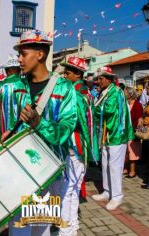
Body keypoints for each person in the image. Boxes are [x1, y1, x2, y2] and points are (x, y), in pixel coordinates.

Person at [11, 29, 77, 236]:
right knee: (19, 225)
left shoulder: (64, 88)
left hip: (48, 171)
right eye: (19, 54)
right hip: (17, 167)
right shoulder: (14, 85)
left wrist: (39, 122)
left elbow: (65, 132)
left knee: (41, 228)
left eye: (24, 54)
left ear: (40, 54)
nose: (19, 59)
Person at [61, 56, 99, 235]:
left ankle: (66, 228)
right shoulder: (88, 93)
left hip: (73, 144)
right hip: (82, 145)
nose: (64, 75)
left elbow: (72, 122)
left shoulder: (75, 94)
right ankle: (73, 225)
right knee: (75, 186)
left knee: (67, 188)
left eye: (67, 72)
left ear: (77, 74)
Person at [91, 66, 134, 210]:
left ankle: (117, 196)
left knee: (115, 166)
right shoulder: (105, 91)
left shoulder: (115, 92)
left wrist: (92, 108)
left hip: (116, 134)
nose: (98, 81)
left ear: (109, 79)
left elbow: (107, 110)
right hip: (106, 134)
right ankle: (107, 191)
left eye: (101, 78)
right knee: (105, 164)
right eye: (97, 79)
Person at [0, 55, 27, 139]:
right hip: (23, 134)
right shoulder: (26, 84)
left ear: (6, 70)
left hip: (3, 133)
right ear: (19, 70)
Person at [123, 86, 143, 178]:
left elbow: (139, 118)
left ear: (130, 94)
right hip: (125, 131)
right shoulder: (124, 104)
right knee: (125, 151)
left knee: (132, 151)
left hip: (133, 131)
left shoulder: (137, 105)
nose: (123, 94)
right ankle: (125, 168)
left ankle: (133, 170)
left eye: (125, 92)